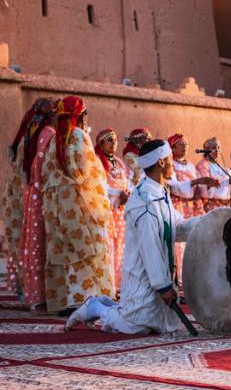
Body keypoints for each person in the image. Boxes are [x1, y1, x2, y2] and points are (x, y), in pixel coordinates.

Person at [66, 140, 201, 334]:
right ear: (161, 162)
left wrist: (211, 221)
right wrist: (162, 286)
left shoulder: (160, 192)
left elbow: (176, 228)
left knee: (162, 326)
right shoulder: (145, 200)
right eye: (171, 159)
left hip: (158, 275)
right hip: (145, 276)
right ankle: (96, 308)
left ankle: (110, 307)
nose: (174, 164)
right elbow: (150, 246)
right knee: (136, 326)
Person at [41, 96, 115, 313]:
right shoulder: (79, 136)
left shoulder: (54, 140)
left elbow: (46, 173)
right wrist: (101, 202)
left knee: (62, 249)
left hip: (55, 204)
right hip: (78, 201)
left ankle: (65, 301)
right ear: (81, 116)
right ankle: (91, 300)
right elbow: (89, 172)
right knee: (89, 246)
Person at [1, 98, 56, 310]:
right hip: (27, 197)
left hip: (22, 196)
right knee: (33, 245)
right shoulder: (40, 138)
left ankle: (30, 294)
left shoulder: (28, 139)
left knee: (27, 244)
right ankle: (34, 296)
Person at [166, 133, 217, 285]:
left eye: (186, 143)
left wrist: (205, 184)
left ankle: (193, 277)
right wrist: (198, 181)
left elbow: (199, 188)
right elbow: (175, 187)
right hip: (178, 205)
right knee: (179, 242)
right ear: (172, 147)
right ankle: (179, 279)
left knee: (193, 239)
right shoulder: (171, 165)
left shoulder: (189, 165)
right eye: (180, 143)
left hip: (192, 205)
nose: (185, 146)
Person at [94, 128, 130, 290]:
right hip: (106, 210)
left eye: (115, 140)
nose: (113, 143)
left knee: (120, 246)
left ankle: (117, 284)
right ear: (101, 143)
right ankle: (107, 285)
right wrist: (118, 194)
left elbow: (127, 182)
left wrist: (126, 193)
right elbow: (99, 186)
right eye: (110, 140)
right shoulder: (97, 161)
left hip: (120, 210)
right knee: (108, 246)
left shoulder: (119, 162)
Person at [195, 137, 231, 212]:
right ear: (206, 150)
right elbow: (206, 187)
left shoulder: (224, 168)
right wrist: (228, 181)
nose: (217, 150)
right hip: (212, 207)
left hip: (227, 206)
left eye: (219, 147)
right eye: (213, 147)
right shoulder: (202, 165)